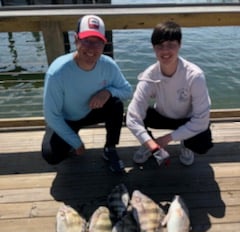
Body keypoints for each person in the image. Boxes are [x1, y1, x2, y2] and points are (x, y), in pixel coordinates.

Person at [41, 15, 132, 173]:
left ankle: (110, 148)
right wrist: (75, 142)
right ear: (76, 40)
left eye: (97, 42)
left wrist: (108, 92)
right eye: (86, 40)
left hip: (91, 111)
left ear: (104, 44)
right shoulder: (57, 72)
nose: (91, 48)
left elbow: (127, 91)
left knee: (116, 104)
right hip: (66, 118)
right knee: (51, 155)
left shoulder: (108, 65)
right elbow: (52, 115)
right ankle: (70, 141)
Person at [126, 21, 213, 167]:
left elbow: (202, 120)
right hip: (162, 116)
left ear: (180, 45)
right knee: (133, 115)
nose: (165, 51)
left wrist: (166, 139)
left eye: (171, 44)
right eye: (160, 46)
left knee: (202, 143)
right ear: (153, 48)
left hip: (186, 118)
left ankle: (186, 143)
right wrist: (153, 144)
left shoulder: (195, 75)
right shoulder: (149, 76)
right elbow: (132, 117)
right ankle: (149, 145)